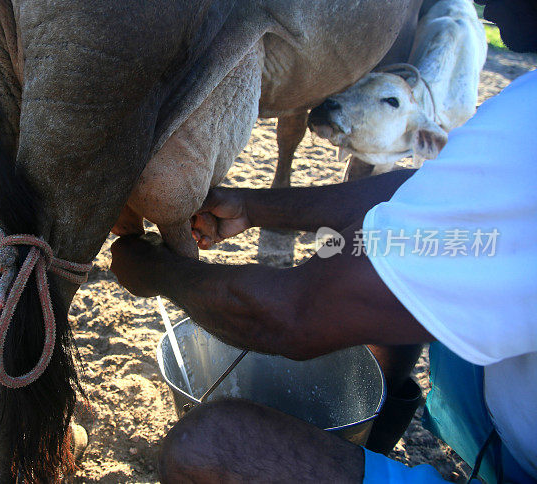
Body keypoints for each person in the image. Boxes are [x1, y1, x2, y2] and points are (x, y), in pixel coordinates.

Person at [110, 0, 537, 482]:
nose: (488, 2)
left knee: (202, 446)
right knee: (405, 287)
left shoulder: (529, 126)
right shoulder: (524, 104)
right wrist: (257, 207)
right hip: (498, 427)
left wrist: (156, 272)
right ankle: (372, 438)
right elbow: (435, 193)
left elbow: (291, 316)